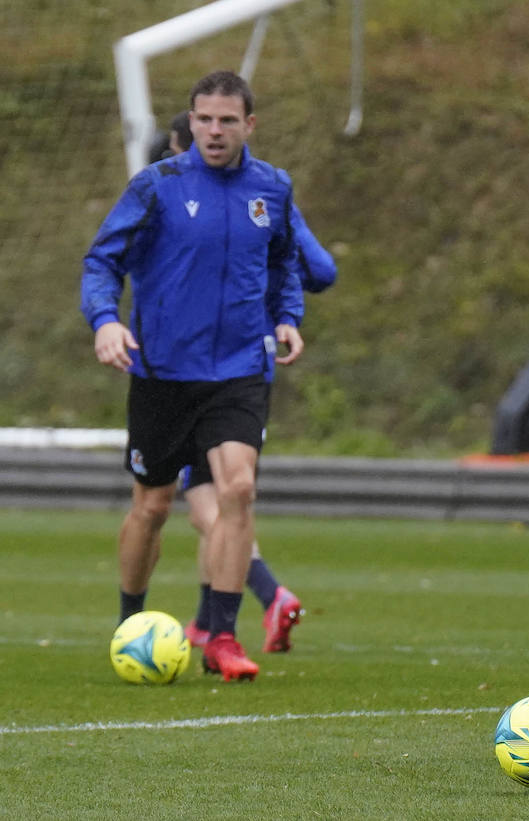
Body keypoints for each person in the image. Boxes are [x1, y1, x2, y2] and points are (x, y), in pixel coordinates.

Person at [81, 70, 305, 682]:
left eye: (227, 120)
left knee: (238, 489)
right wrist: (105, 321)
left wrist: (287, 318)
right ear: (191, 121)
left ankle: (222, 638)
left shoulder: (272, 188)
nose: (214, 130)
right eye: (204, 119)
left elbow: (286, 263)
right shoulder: (157, 185)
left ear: (249, 125)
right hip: (163, 370)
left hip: (239, 368)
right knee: (152, 505)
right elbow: (101, 261)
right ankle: (130, 621)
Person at [154, 110, 338, 654]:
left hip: (212, 367)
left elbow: (315, 269)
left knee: (210, 503)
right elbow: (321, 269)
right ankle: (206, 620)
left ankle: (267, 594)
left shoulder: (253, 200)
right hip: (243, 366)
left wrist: (264, 286)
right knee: (218, 497)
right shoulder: (257, 195)